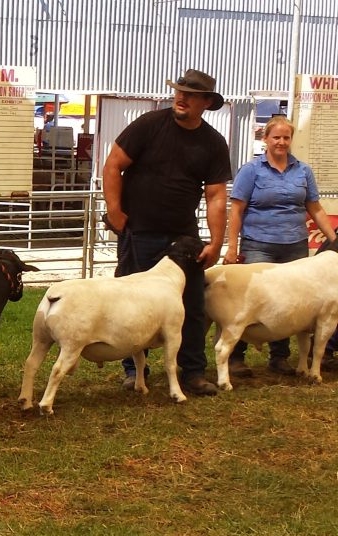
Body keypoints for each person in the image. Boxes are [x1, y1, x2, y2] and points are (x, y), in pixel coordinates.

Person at [103, 68, 232, 397]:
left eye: (190, 94)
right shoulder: (148, 126)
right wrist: (116, 213)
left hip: (183, 239)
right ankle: (135, 371)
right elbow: (113, 164)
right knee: (132, 303)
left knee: (191, 303)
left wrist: (216, 242)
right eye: (179, 91)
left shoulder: (213, 143)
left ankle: (192, 373)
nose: (181, 97)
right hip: (139, 231)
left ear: (205, 102)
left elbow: (216, 195)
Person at [223, 115, 337, 376]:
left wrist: (334, 241)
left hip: (294, 245)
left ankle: (279, 357)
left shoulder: (303, 171)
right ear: (266, 139)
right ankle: (236, 357)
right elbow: (237, 210)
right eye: (276, 137)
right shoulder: (251, 170)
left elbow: (315, 209)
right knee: (248, 301)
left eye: (286, 137)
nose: (282, 142)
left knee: (291, 303)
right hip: (258, 245)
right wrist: (231, 247)